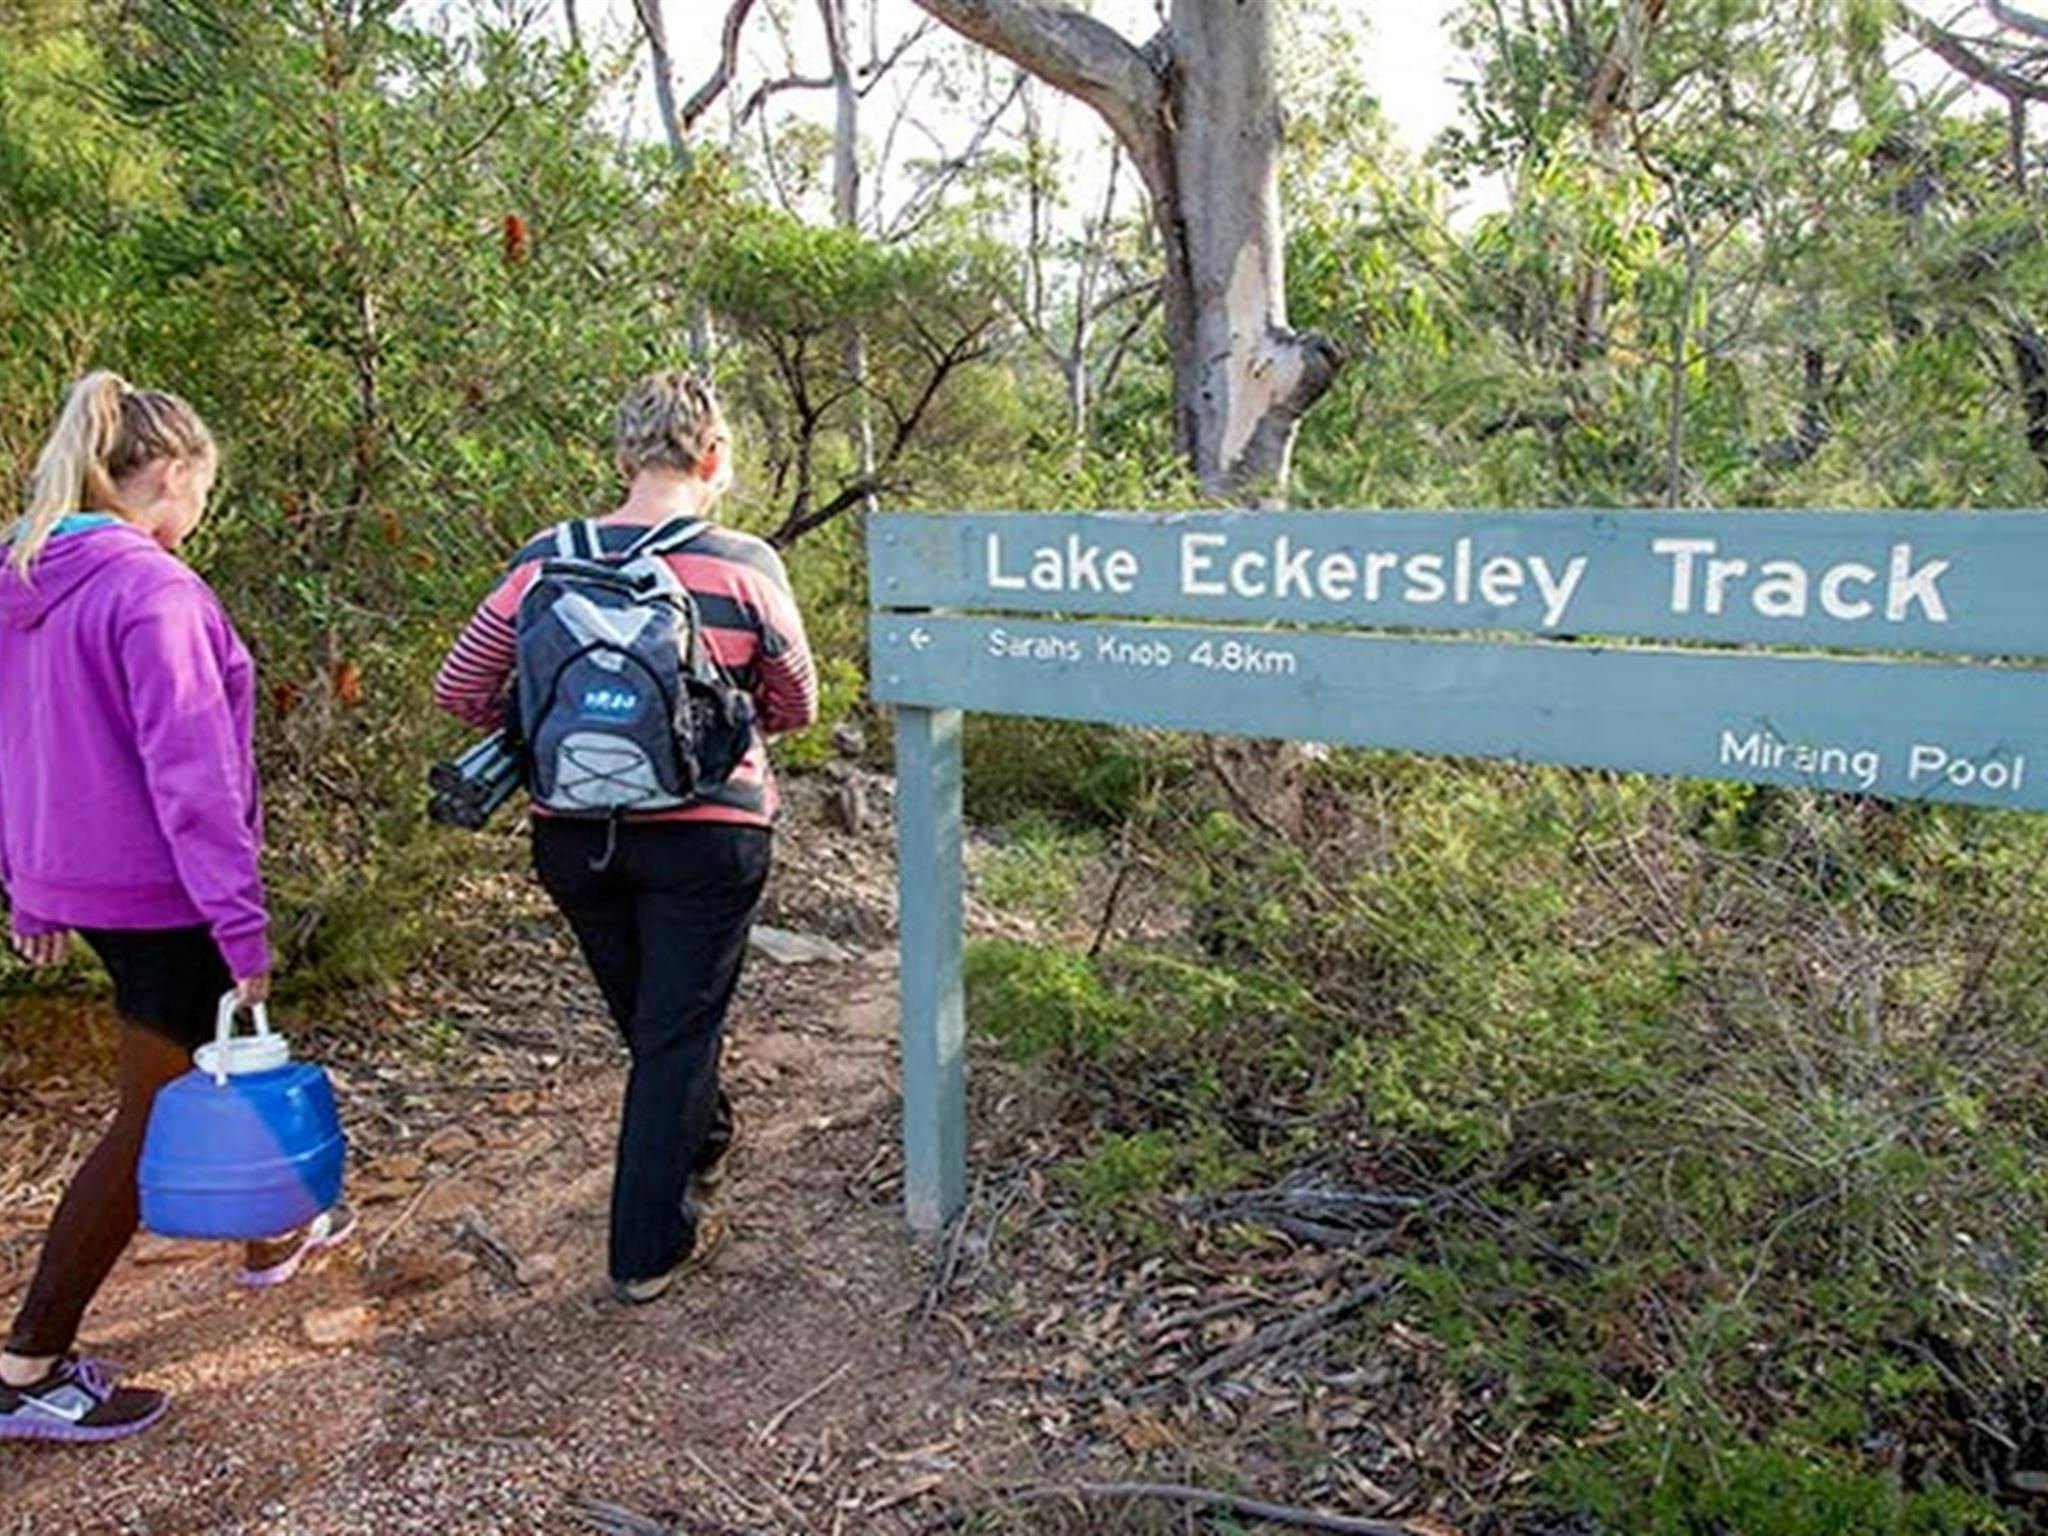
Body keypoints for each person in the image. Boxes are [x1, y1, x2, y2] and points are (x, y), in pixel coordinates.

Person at [0, 373, 354, 1444]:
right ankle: (28, 1365)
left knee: (215, 1063)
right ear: (168, 474)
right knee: (151, 1113)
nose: (201, 512)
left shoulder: (25, 577)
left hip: (85, 881)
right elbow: (191, 779)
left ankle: (273, 1234)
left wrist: (28, 878)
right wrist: (241, 929)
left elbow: (19, 744)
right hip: (162, 892)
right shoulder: (153, 593)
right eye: (203, 487)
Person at [434, 369, 818, 1304]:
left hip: (574, 835)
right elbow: (796, 702)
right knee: (676, 1029)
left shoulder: (542, 563)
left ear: (621, 458)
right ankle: (649, 1248)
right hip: (709, 836)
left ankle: (704, 1132)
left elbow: (460, 688)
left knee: (658, 1023)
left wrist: (552, 716)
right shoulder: (744, 564)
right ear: (715, 458)